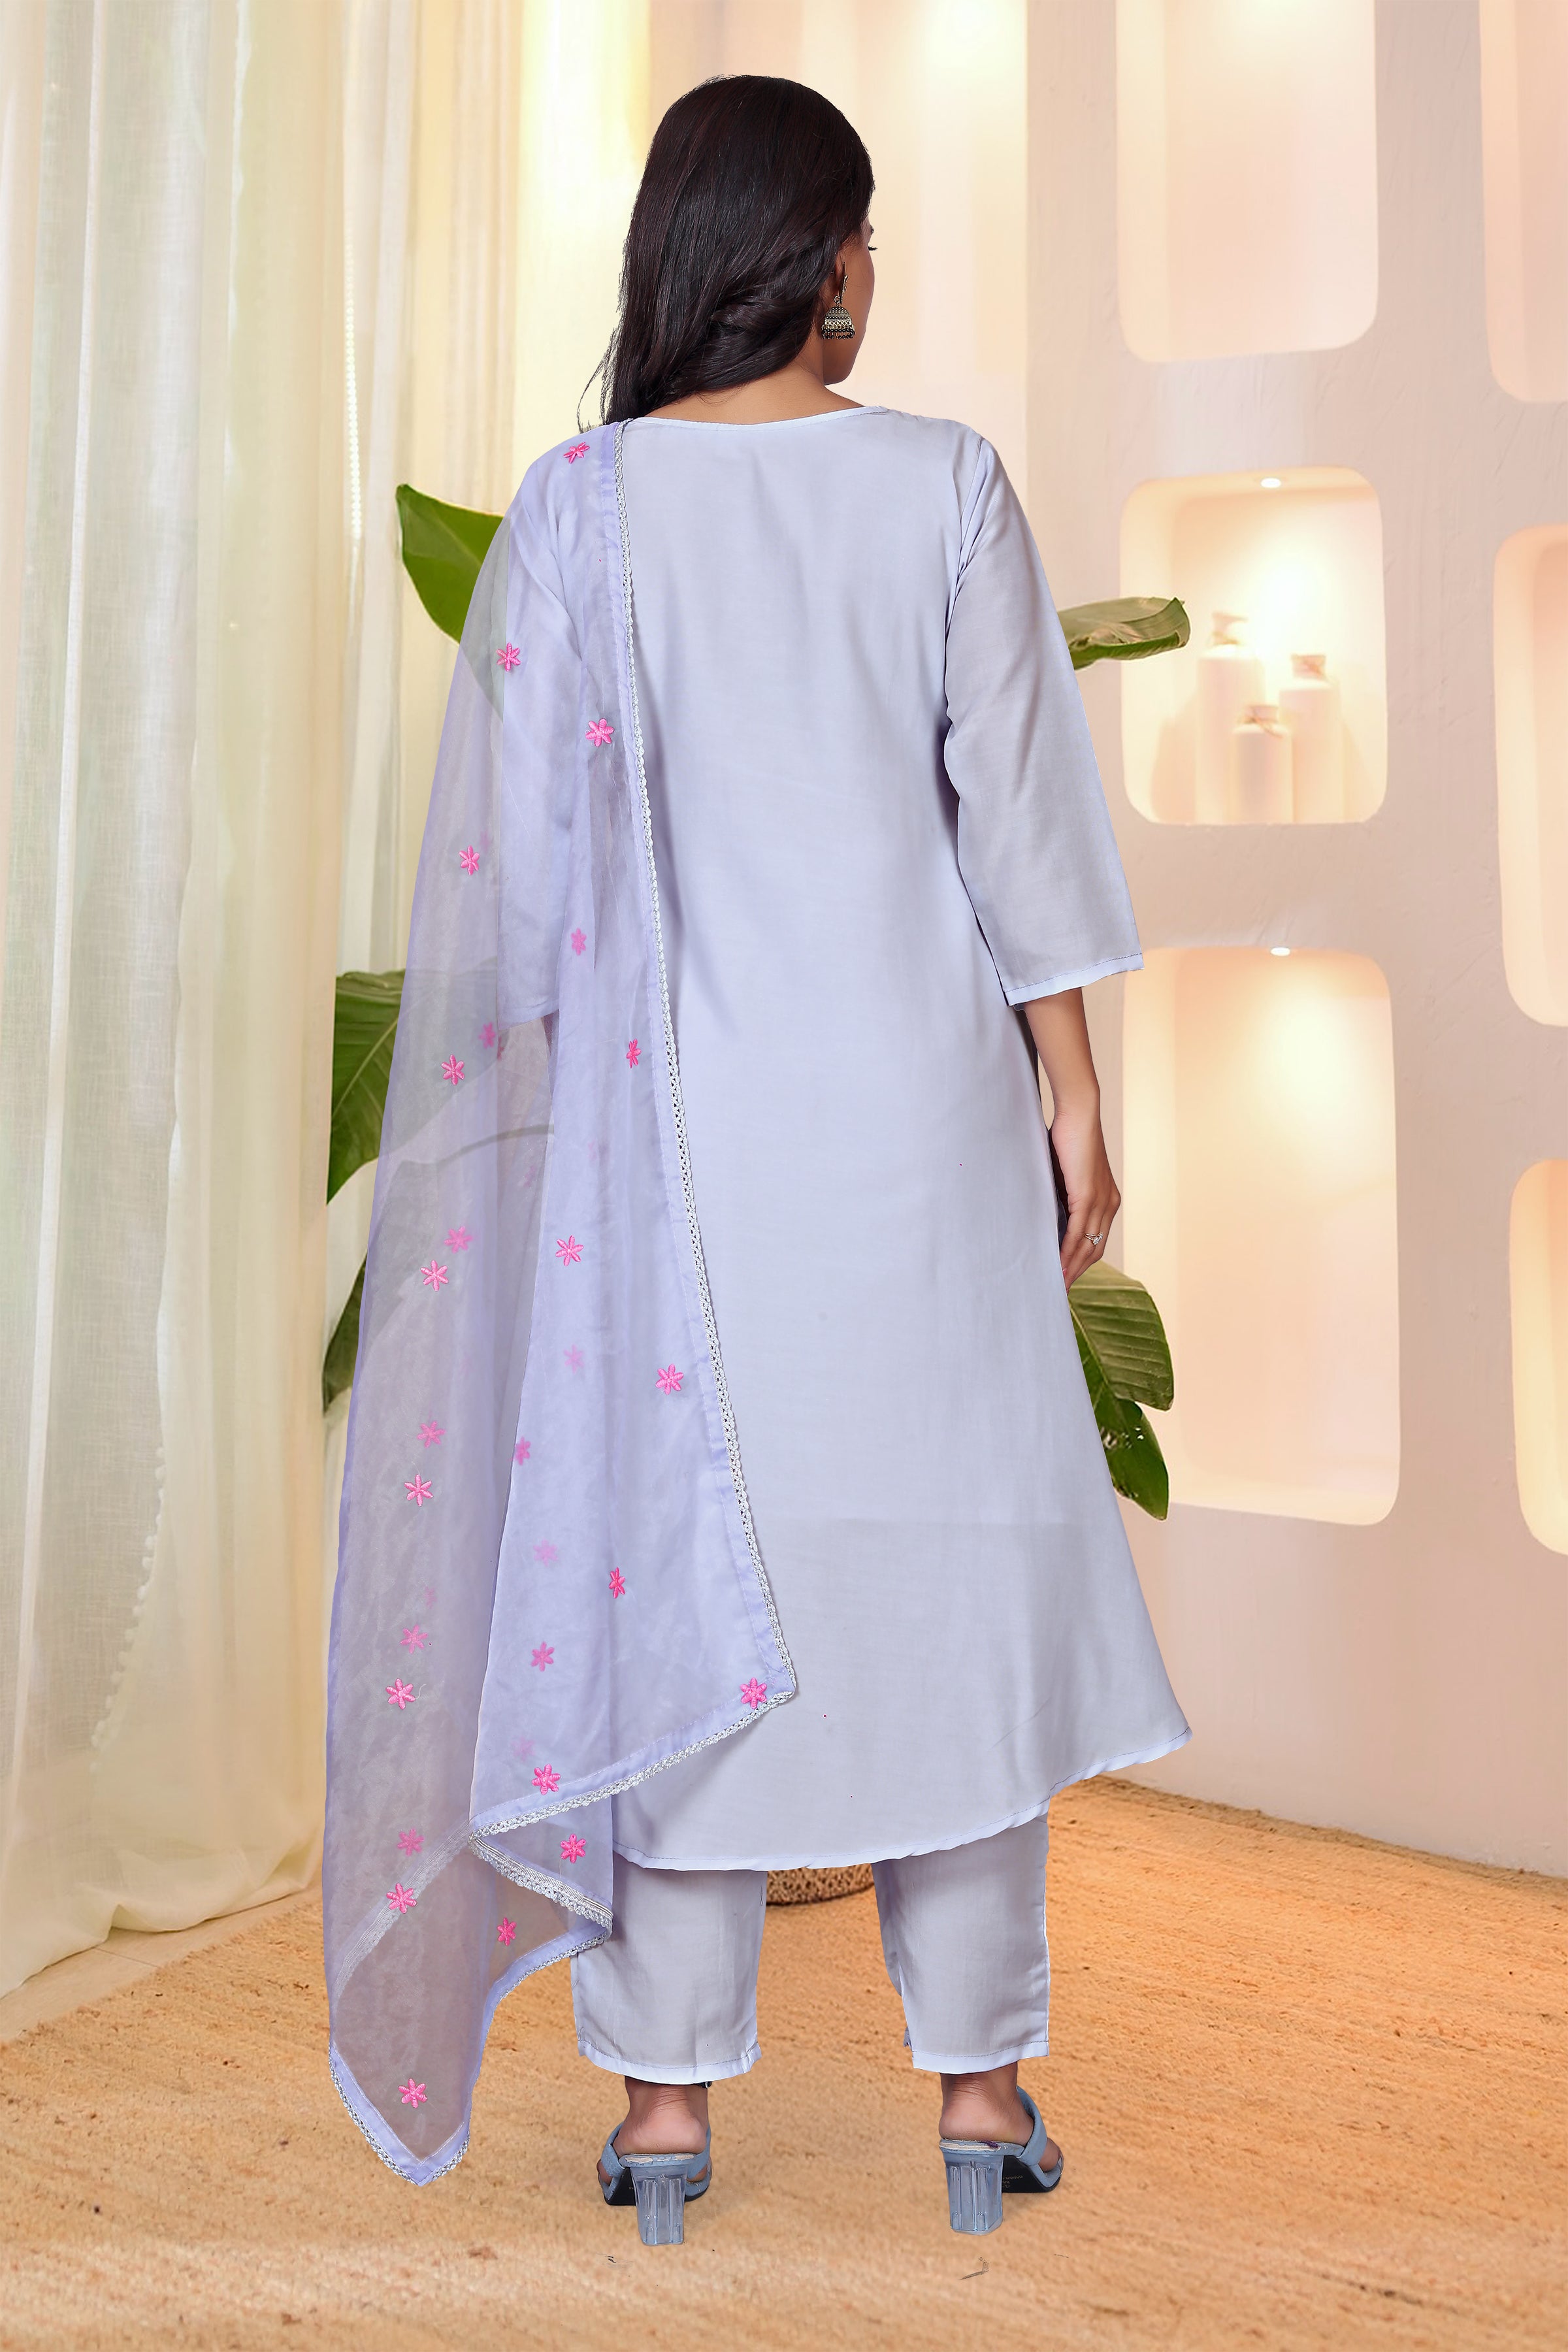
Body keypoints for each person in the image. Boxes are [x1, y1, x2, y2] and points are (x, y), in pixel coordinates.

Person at [322, 73, 1189, 2246]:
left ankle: (663, 2118)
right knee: (946, 1597)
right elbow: (1019, 826)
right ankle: (981, 2090)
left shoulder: (578, 514)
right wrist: (1075, 1089)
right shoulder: (944, 485)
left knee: (666, 1599)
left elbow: (527, 899)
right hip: (920, 1144)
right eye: (861, 233)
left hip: (679, 1166)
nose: (869, 272)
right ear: (816, 258)